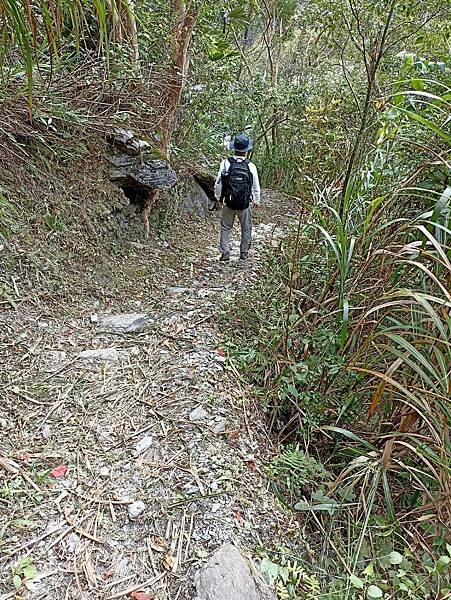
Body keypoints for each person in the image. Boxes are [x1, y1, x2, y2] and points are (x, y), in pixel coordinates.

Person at [214, 132, 261, 261]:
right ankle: (244, 252)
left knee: (225, 227)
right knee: (246, 228)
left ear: (234, 147)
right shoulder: (250, 166)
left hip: (228, 202)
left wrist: (218, 197)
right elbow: (255, 185)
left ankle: (225, 252)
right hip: (244, 204)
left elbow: (218, 182)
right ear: (246, 150)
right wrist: (256, 200)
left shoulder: (225, 163)